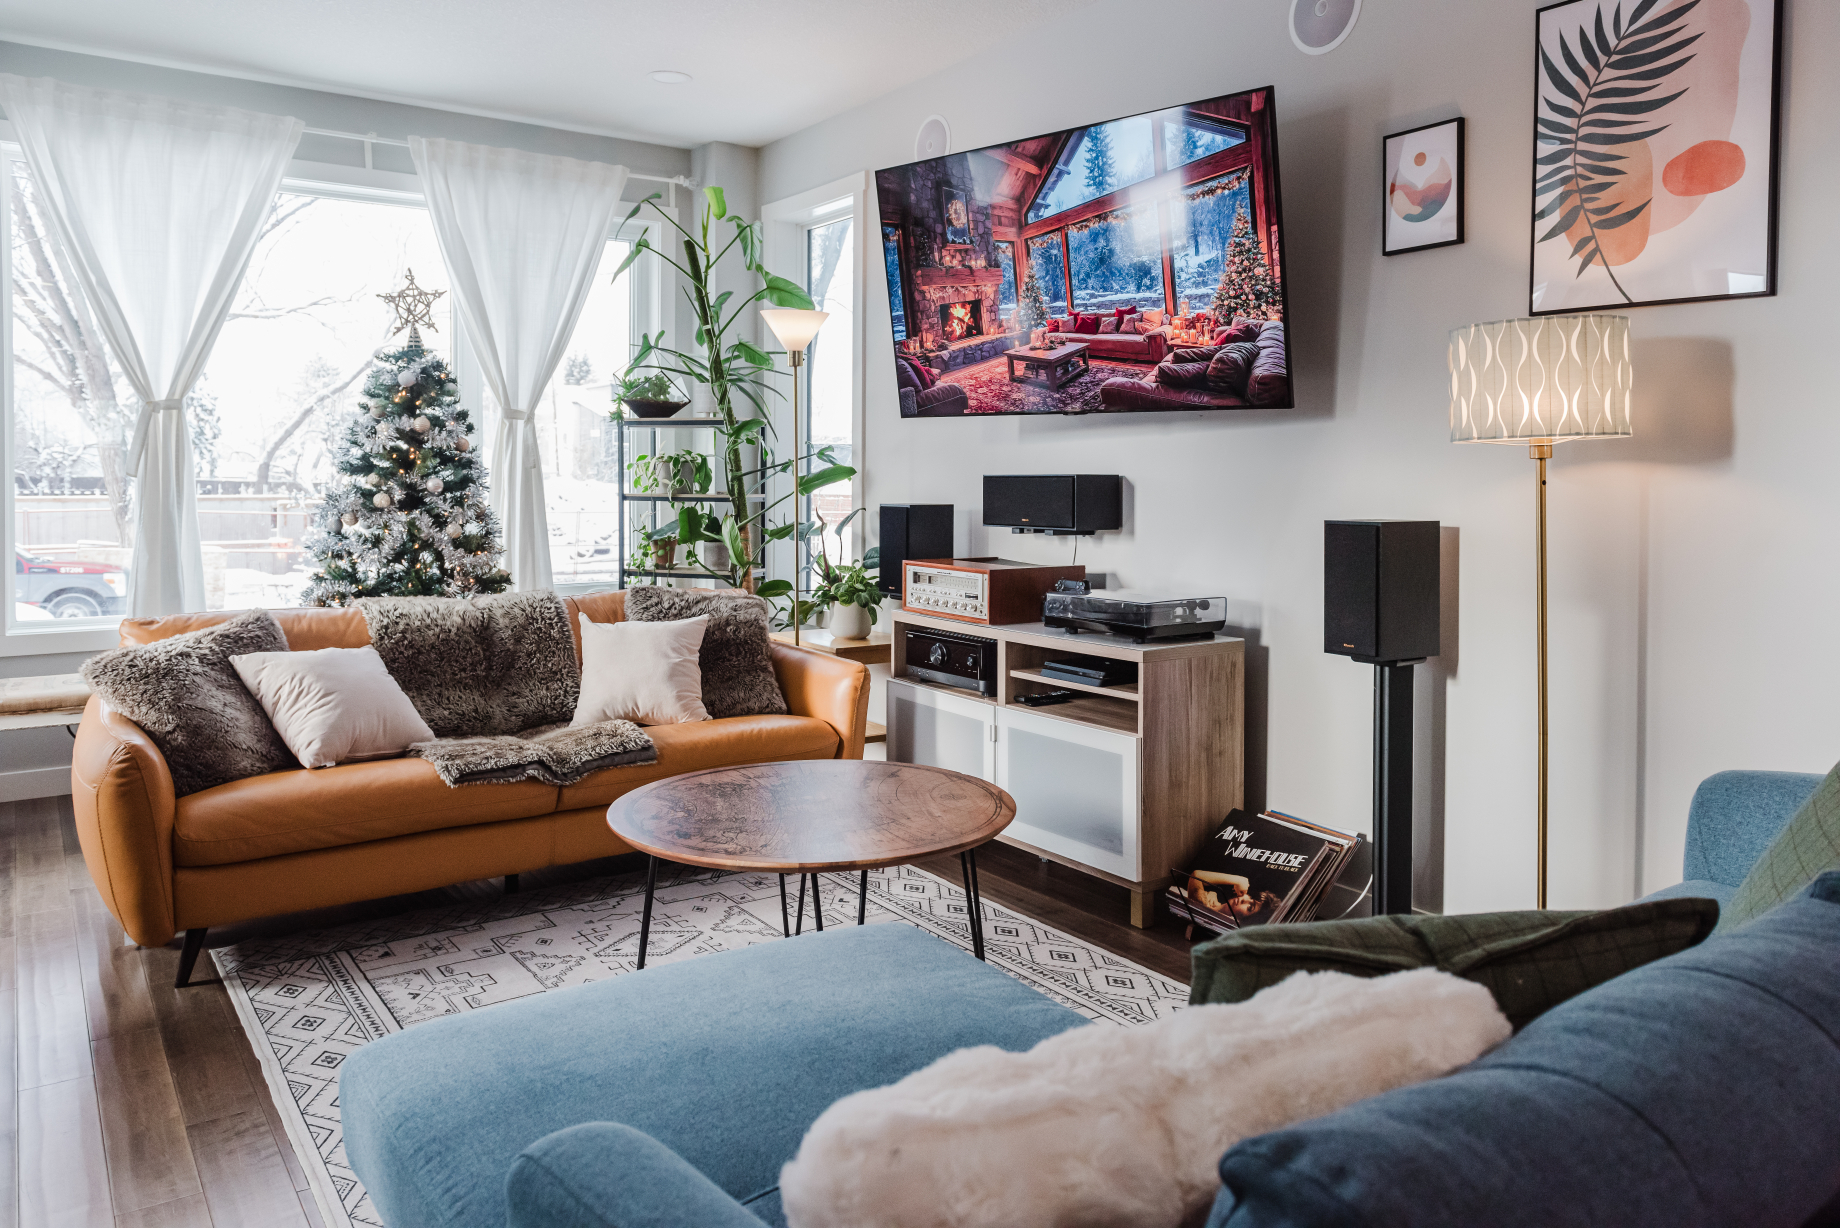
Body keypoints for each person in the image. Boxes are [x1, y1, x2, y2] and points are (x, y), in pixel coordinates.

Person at [1186, 870, 1283, 929]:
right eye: (1251, 897)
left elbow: (1196, 876)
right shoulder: (1211, 899)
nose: (1244, 899)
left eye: (1250, 907)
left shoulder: (1206, 908)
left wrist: (1239, 880)